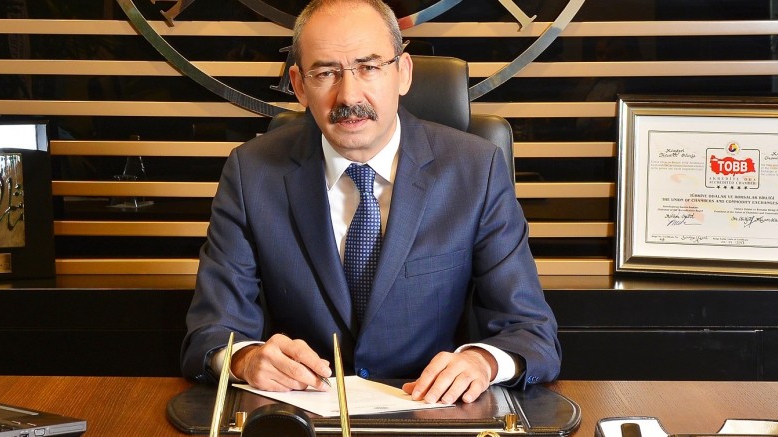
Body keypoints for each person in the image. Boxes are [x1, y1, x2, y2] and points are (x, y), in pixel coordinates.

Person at [181, 0, 561, 405]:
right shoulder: (251, 173)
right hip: (302, 412)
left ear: (403, 72)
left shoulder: (475, 170)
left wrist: (482, 362)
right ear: (299, 85)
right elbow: (210, 331)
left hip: (429, 411)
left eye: (369, 67)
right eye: (325, 73)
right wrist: (245, 359)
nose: (348, 95)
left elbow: (530, 332)